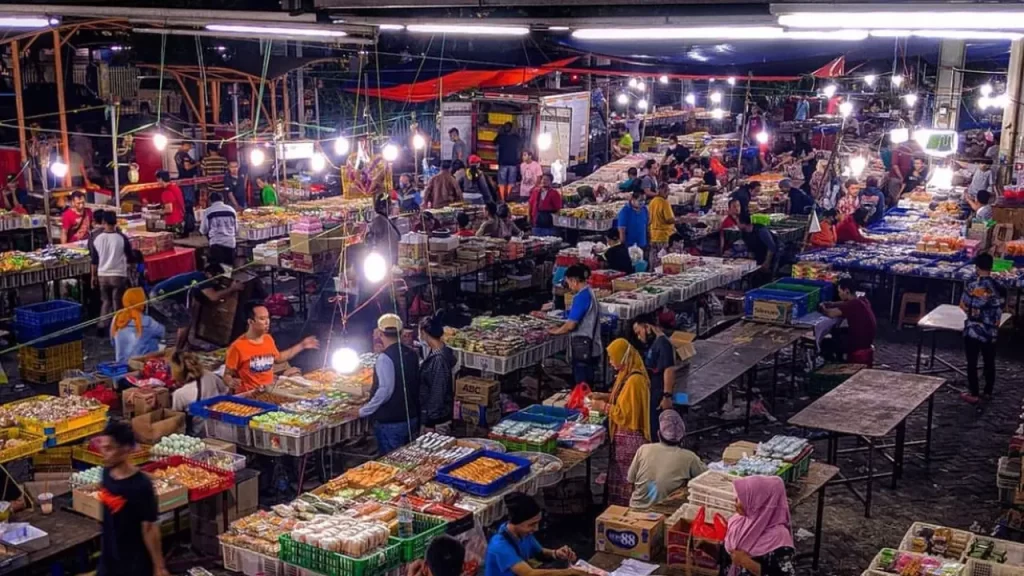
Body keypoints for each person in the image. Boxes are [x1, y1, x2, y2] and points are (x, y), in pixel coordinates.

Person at [96, 420, 168, 576]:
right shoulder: (107, 473)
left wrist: (159, 566)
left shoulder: (141, 486)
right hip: (109, 560)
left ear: (125, 450)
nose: (103, 452)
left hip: (134, 565)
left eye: (109, 448)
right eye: (102, 446)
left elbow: (149, 528)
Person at [589, 338, 651, 505]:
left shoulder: (635, 381)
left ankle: (625, 512)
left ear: (623, 357)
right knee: (619, 477)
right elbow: (622, 399)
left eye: (612, 357)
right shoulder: (626, 375)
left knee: (627, 478)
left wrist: (603, 406)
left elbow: (625, 414)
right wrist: (602, 396)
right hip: (621, 436)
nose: (610, 362)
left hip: (630, 439)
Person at [360, 314, 422, 454]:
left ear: (380, 334)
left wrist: (364, 410)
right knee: (407, 460)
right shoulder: (411, 354)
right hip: (411, 417)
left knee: (392, 464)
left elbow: (385, 391)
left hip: (391, 422)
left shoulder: (384, 358)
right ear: (400, 333)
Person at [224, 303, 319, 393]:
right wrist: (230, 381)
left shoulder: (268, 339)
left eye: (268, 318)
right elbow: (227, 375)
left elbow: (278, 358)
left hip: (268, 391)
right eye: (262, 319)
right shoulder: (237, 347)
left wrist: (302, 345)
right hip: (249, 394)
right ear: (250, 322)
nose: (267, 322)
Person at [485, 492, 584, 576]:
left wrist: (556, 553)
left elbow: (539, 552)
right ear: (516, 523)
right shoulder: (499, 546)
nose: (536, 528)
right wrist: (569, 572)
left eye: (537, 523)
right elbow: (529, 573)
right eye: (532, 524)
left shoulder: (524, 533)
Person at [627, 410, 707, 509]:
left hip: (636, 507)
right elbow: (707, 479)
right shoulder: (689, 457)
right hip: (664, 511)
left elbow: (630, 481)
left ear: (658, 434)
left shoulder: (643, 449)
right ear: (682, 438)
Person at [724, 476, 795, 576]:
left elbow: (784, 573)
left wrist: (746, 562)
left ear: (757, 503)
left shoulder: (779, 538)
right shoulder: (737, 522)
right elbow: (728, 557)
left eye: (741, 498)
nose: (735, 502)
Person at [960, 253, 1006, 404]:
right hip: (991, 330)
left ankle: (974, 393)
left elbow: (963, 305)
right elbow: (1001, 306)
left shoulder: (973, 286)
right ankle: (988, 391)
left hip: (974, 330)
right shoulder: (999, 286)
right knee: (989, 361)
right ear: (991, 267)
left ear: (977, 267)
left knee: (972, 362)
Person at [548, 264, 602, 385]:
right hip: (592, 346)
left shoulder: (581, 297)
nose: (569, 286)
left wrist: (555, 331)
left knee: (582, 386)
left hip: (584, 348)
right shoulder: (589, 292)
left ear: (574, 280)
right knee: (588, 384)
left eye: (568, 282)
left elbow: (571, 325)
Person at [631, 315, 678, 434]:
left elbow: (669, 369)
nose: (639, 337)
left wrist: (666, 396)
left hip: (659, 394)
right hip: (654, 392)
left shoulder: (663, 344)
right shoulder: (656, 343)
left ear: (646, 326)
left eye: (639, 332)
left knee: (657, 429)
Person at [90, 210, 135, 333]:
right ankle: (118, 328)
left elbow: (94, 261)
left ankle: (102, 325)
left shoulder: (97, 239)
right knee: (117, 302)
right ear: (115, 222)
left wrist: (93, 277)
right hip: (118, 275)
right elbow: (130, 257)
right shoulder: (122, 238)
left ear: (103, 222)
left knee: (105, 301)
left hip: (102, 275)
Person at [819, 277, 877, 365]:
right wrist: (831, 303)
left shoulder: (853, 304)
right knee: (836, 332)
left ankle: (835, 365)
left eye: (839, 292)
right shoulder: (862, 300)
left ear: (846, 291)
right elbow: (843, 304)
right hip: (866, 340)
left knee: (826, 343)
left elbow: (831, 313)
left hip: (858, 343)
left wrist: (822, 307)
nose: (839, 294)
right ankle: (840, 359)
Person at [170, 349, 228, 435]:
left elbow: (177, 420)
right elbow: (224, 391)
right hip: (222, 426)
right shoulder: (209, 375)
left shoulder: (180, 394)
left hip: (200, 433)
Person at [419, 313, 455, 432]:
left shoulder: (439, 359)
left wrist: (431, 420)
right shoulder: (439, 351)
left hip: (437, 420)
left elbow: (438, 391)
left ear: (423, 333)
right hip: (436, 414)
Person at [111, 287, 165, 364]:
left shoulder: (116, 318)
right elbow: (162, 332)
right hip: (142, 365)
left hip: (121, 364)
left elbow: (113, 342)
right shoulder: (148, 321)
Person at [200, 191, 237, 269]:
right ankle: (227, 279)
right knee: (228, 269)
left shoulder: (208, 211)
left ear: (210, 201)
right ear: (222, 199)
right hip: (230, 243)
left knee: (217, 271)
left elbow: (203, 230)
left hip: (216, 244)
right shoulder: (231, 210)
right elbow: (236, 229)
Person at [737, 212, 777, 281]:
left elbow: (772, 247)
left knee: (766, 278)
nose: (736, 225)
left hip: (770, 255)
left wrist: (767, 262)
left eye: (737, 222)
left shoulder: (761, 231)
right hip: (758, 255)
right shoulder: (744, 232)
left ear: (743, 223)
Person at [366, 193, 402, 265]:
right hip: (383, 261)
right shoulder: (379, 220)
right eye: (389, 205)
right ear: (383, 207)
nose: (391, 207)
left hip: (390, 260)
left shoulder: (385, 219)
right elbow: (373, 241)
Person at [648, 183, 676, 268]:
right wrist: (678, 220)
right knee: (663, 260)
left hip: (653, 235)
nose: (668, 193)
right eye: (667, 191)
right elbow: (669, 220)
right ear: (664, 191)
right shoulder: (664, 202)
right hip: (664, 236)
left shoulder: (652, 201)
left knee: (654, 259)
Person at [174, 141, 198, 233]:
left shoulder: (177, 154)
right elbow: (187, 167)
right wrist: (197, 164)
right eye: (189, 146)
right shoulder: (184, 155)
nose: (189, 148)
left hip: (182, 180)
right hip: (187, 181)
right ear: (184, 145)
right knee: (189, 204)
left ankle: (187, 224)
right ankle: (189, 225)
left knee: (185, 203)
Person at [495, 123, 522, 201]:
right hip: (513, 163)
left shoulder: (500, 137)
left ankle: (502, 199)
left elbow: (494, 143)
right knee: (511, 182)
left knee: (501, 182)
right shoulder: (516, 138)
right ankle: (509, 198)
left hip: (503, 163)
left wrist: (499, 132)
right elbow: (520, 146)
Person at [156, 171, 186, 235]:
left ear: (161, 179)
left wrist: (158, 212)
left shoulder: (166, 192)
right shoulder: (176, 187)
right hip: (180, 222)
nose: (157, 182)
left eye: (157, 180)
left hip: (172, 224)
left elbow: (169, 210)